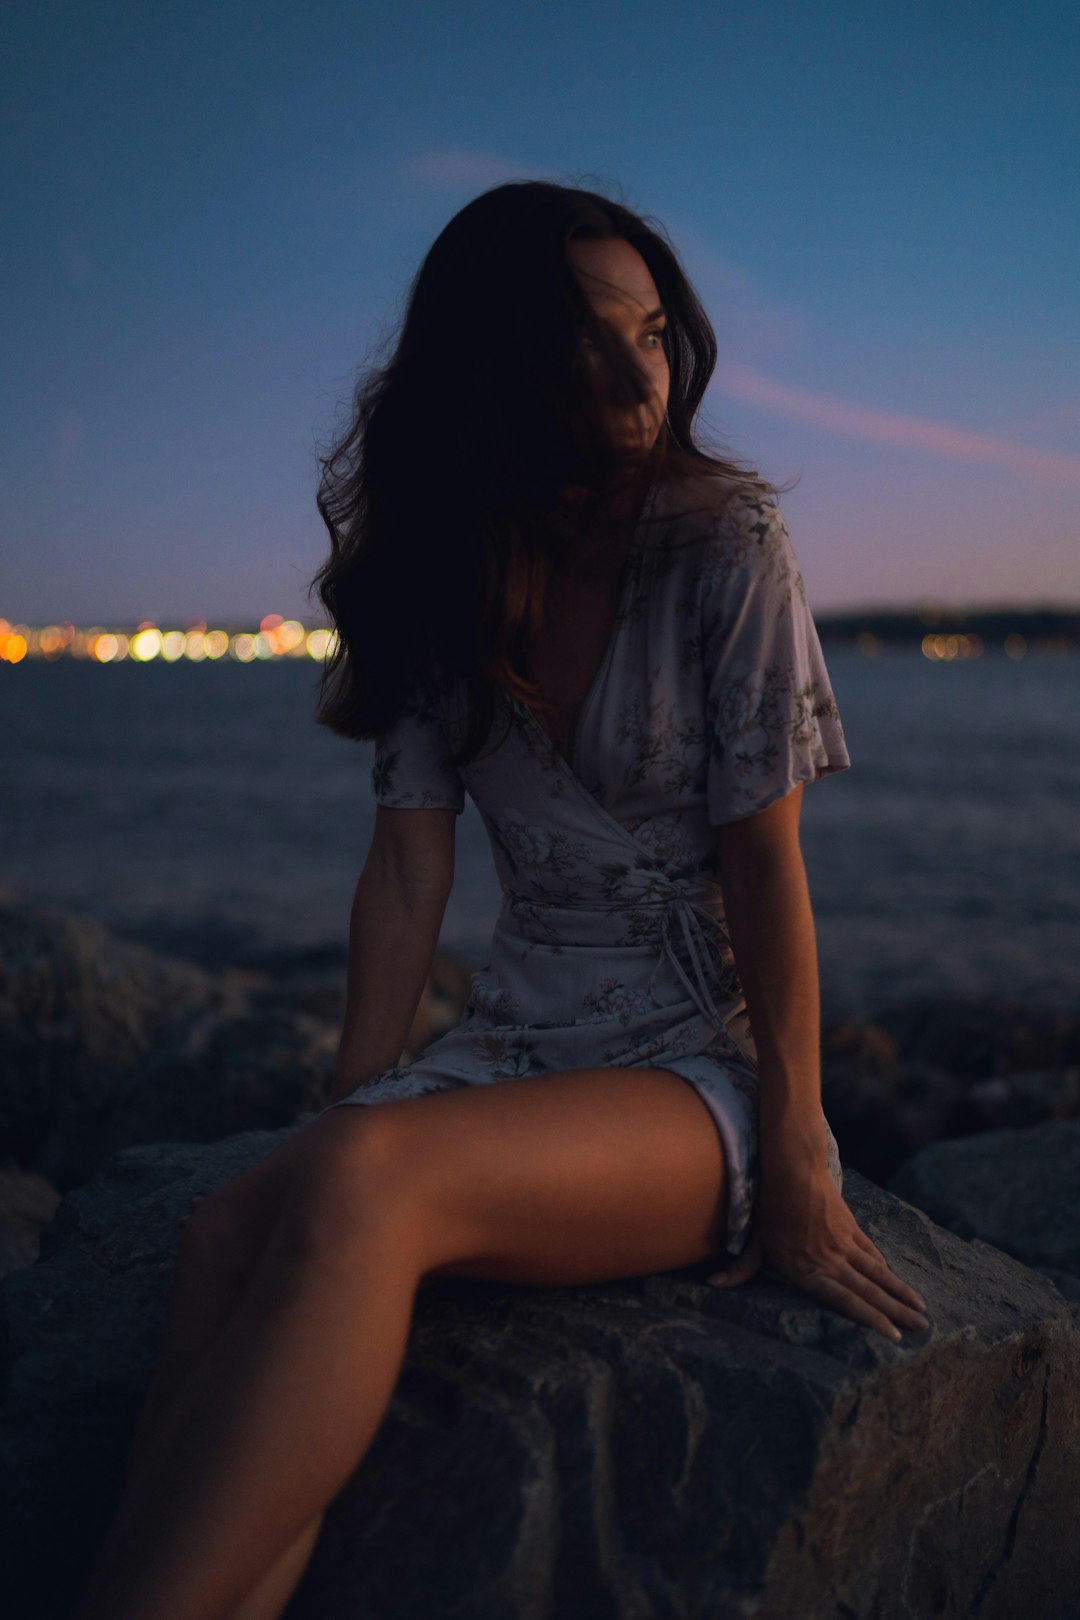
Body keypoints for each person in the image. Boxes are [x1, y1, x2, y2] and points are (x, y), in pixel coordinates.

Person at [74, 180, 930, 1620]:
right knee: (233, 1234)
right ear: (494, 369)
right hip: (513, 1038)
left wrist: (798, 1143)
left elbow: (766, 866)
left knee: (357, 1193)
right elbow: (410, 863)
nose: (635, 376)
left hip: (687, 1067)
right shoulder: (446, 563)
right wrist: (356, 1096)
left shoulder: (730, 546)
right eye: (587, 343)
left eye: (654, 334)